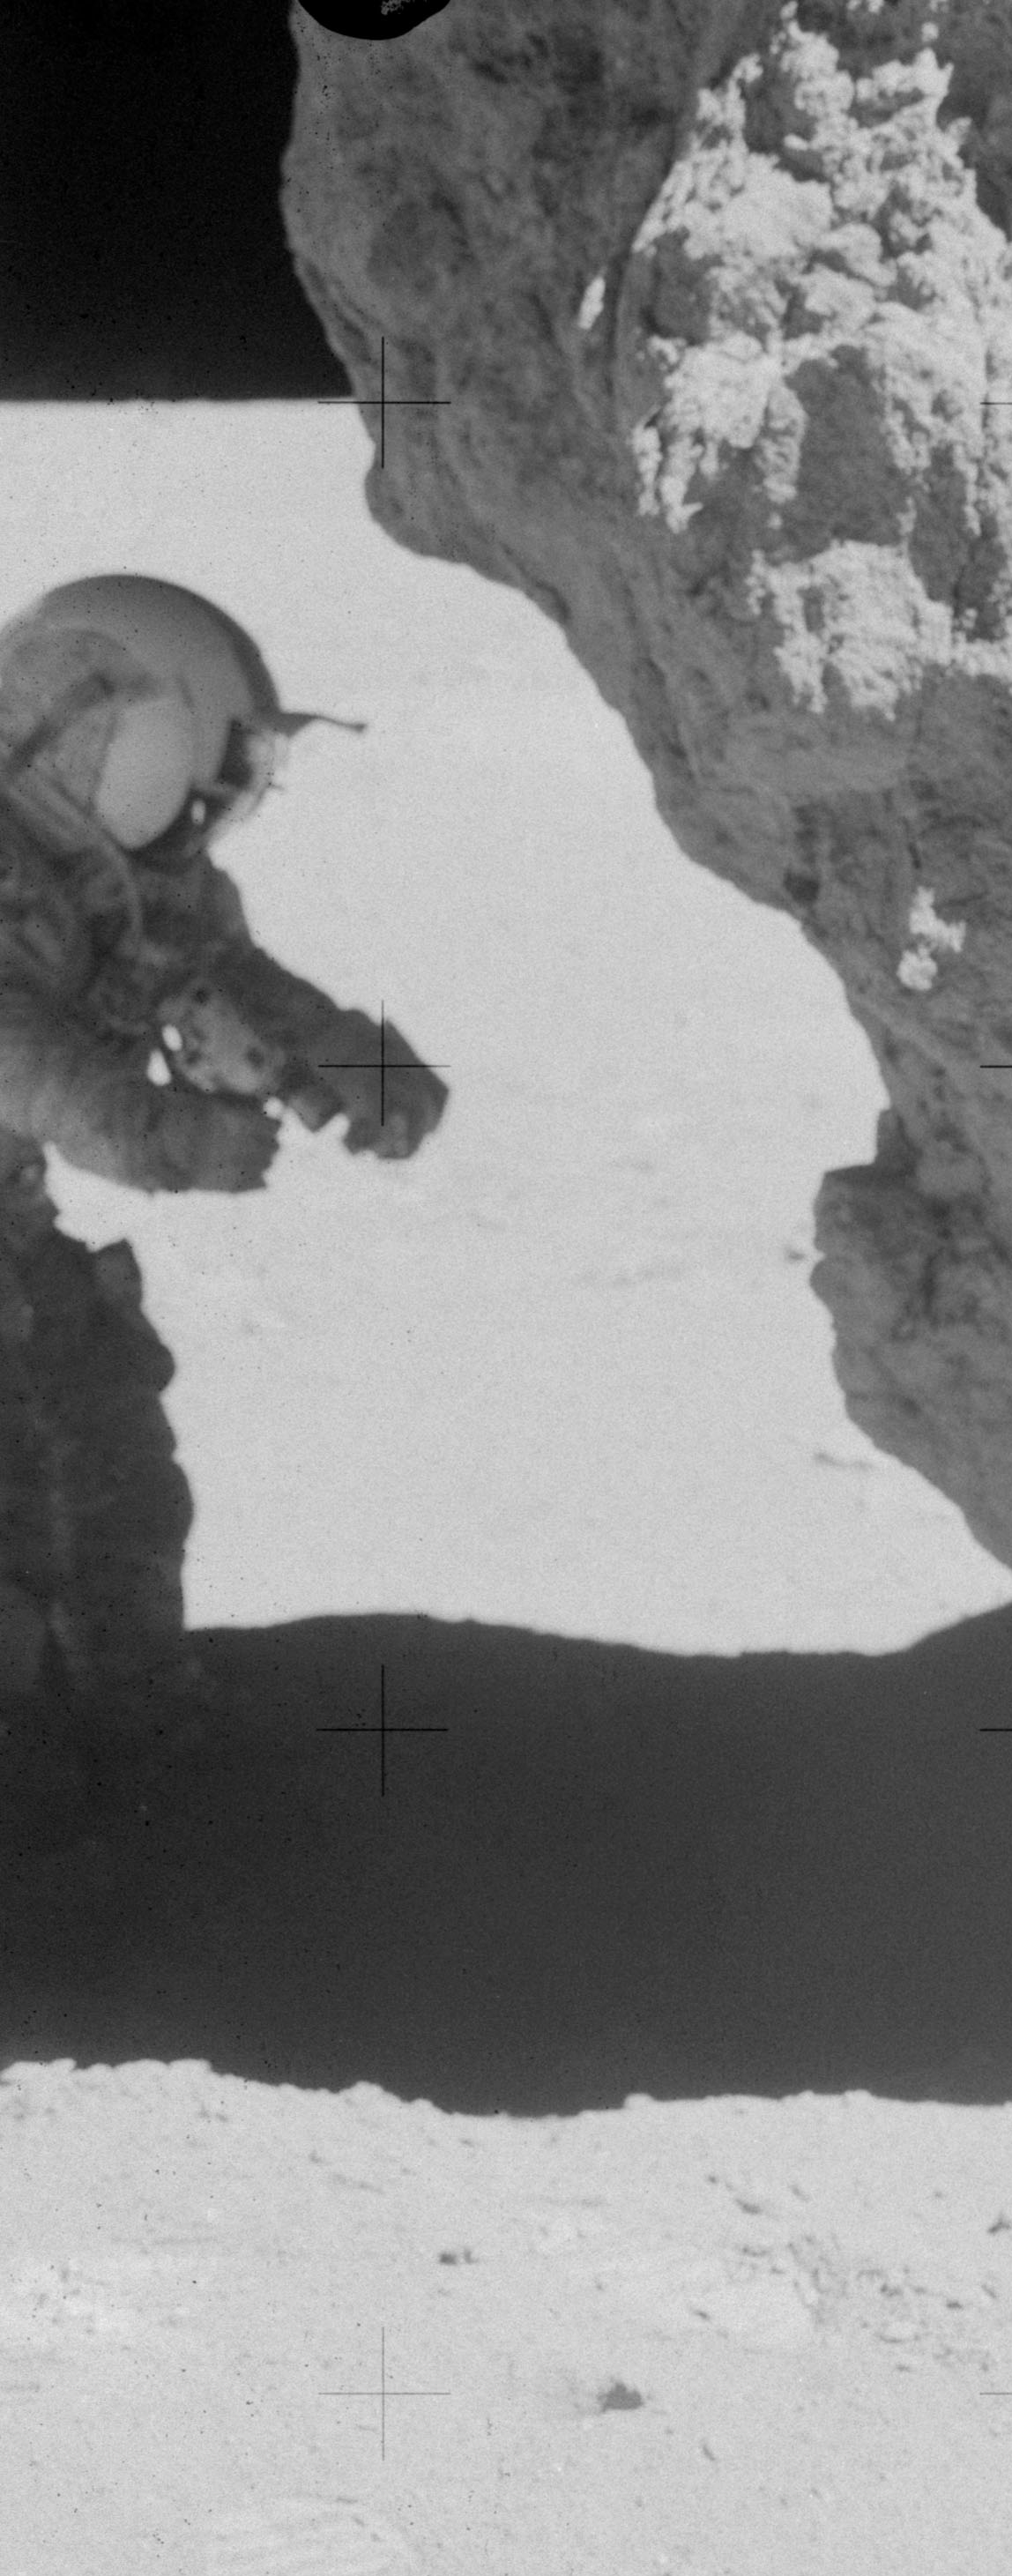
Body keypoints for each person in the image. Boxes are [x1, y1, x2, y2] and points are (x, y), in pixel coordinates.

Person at [0, 574, 446, 1867]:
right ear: (120, 737)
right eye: (213, 766)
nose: (221, 803)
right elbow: (15, 1049)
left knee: (107, 1442)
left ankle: (136, 1717)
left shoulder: (125, 879)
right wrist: (147, 1132)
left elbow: (225, 976)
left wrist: (347, 1066)